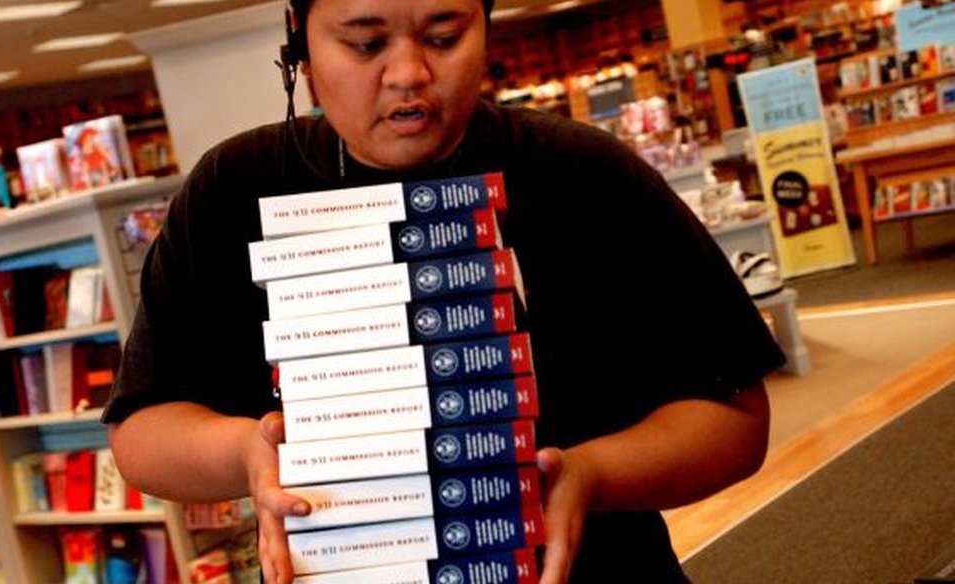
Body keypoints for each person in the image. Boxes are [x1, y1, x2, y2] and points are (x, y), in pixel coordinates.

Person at [103, 0, 785, 582]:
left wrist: (591, 474)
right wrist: (249, 451)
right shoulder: (232, 191)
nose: (407, 74)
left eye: (443, 36)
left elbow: (734, 418)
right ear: (298, 47)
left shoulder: (582, 172)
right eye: (365, 43)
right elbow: (141, 433)